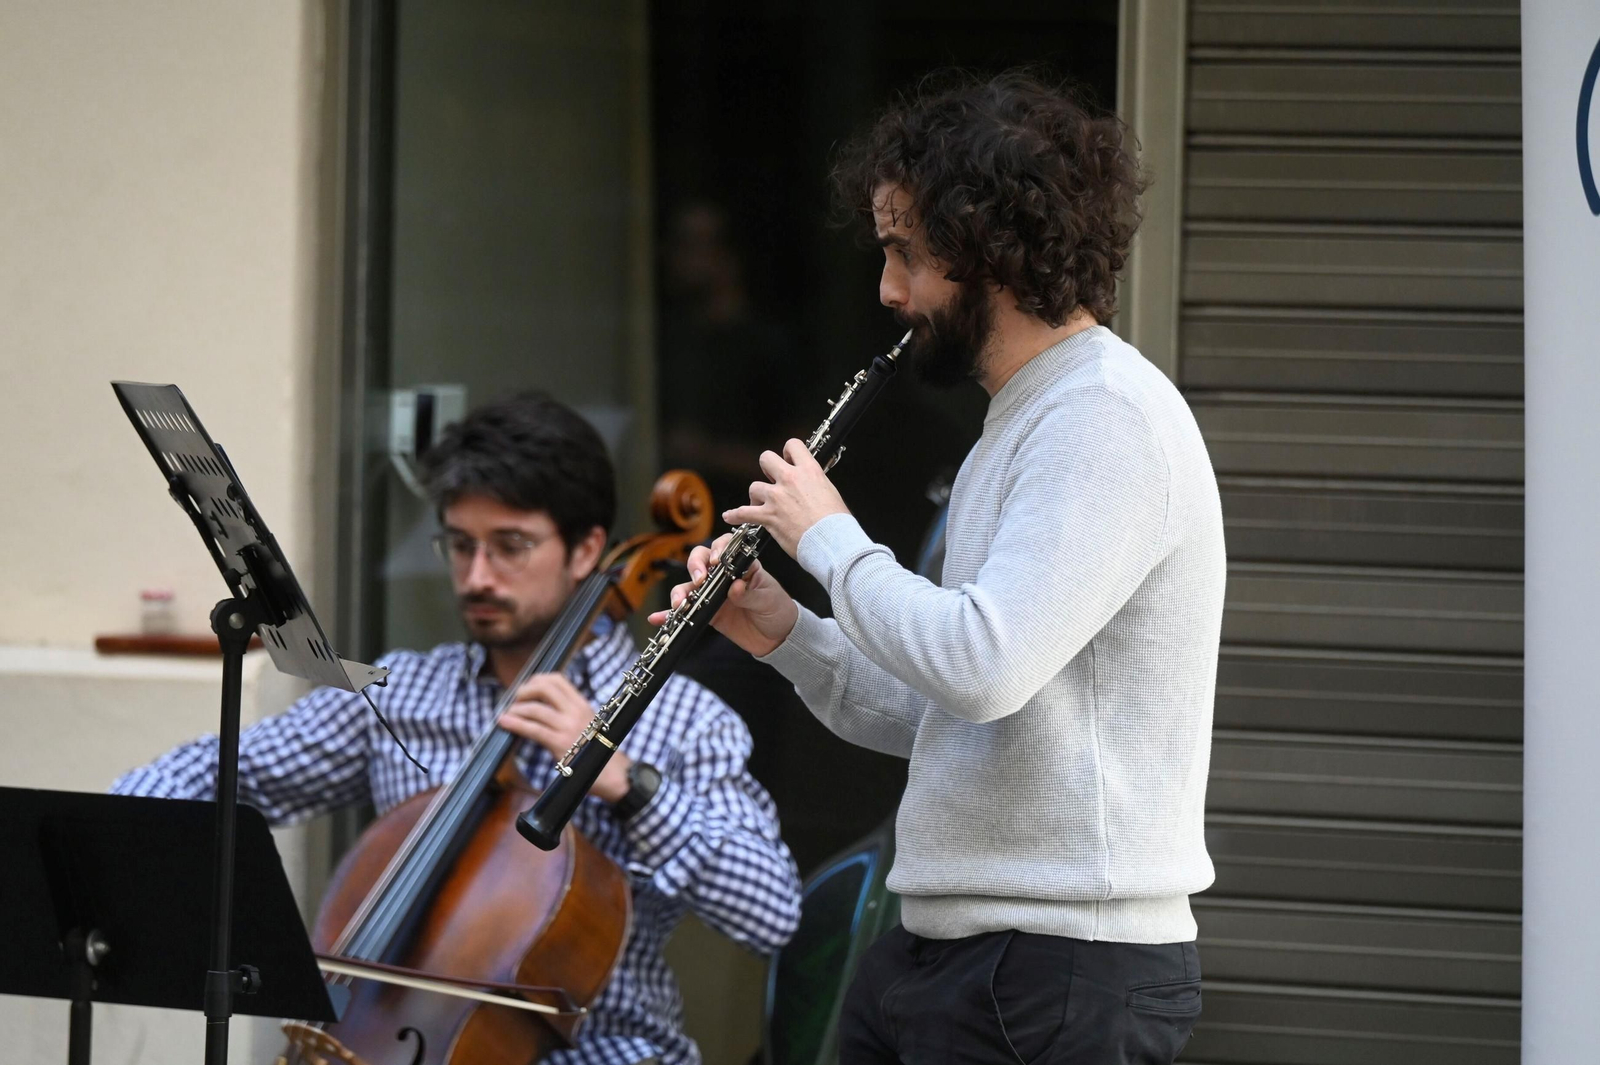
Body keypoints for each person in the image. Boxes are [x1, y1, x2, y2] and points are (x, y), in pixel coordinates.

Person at [663, 70, 1225, 1064]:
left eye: (904, 254)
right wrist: (785, 634)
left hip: (1057, 966)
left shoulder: (1103, 419)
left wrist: (829, 540)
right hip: (954, 948)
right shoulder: (1021, 422)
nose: (886, 291)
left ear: (988, 250)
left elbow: (982, 664)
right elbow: (944, 713)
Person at [114, 392, 802, 1065]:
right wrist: (106, 829)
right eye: (459, 544)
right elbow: (219, 772)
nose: (477, 576)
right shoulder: (405, 690)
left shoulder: (677, 718)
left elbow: (770, 910)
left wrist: (624, 782)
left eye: (510, 546)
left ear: (587, 547)